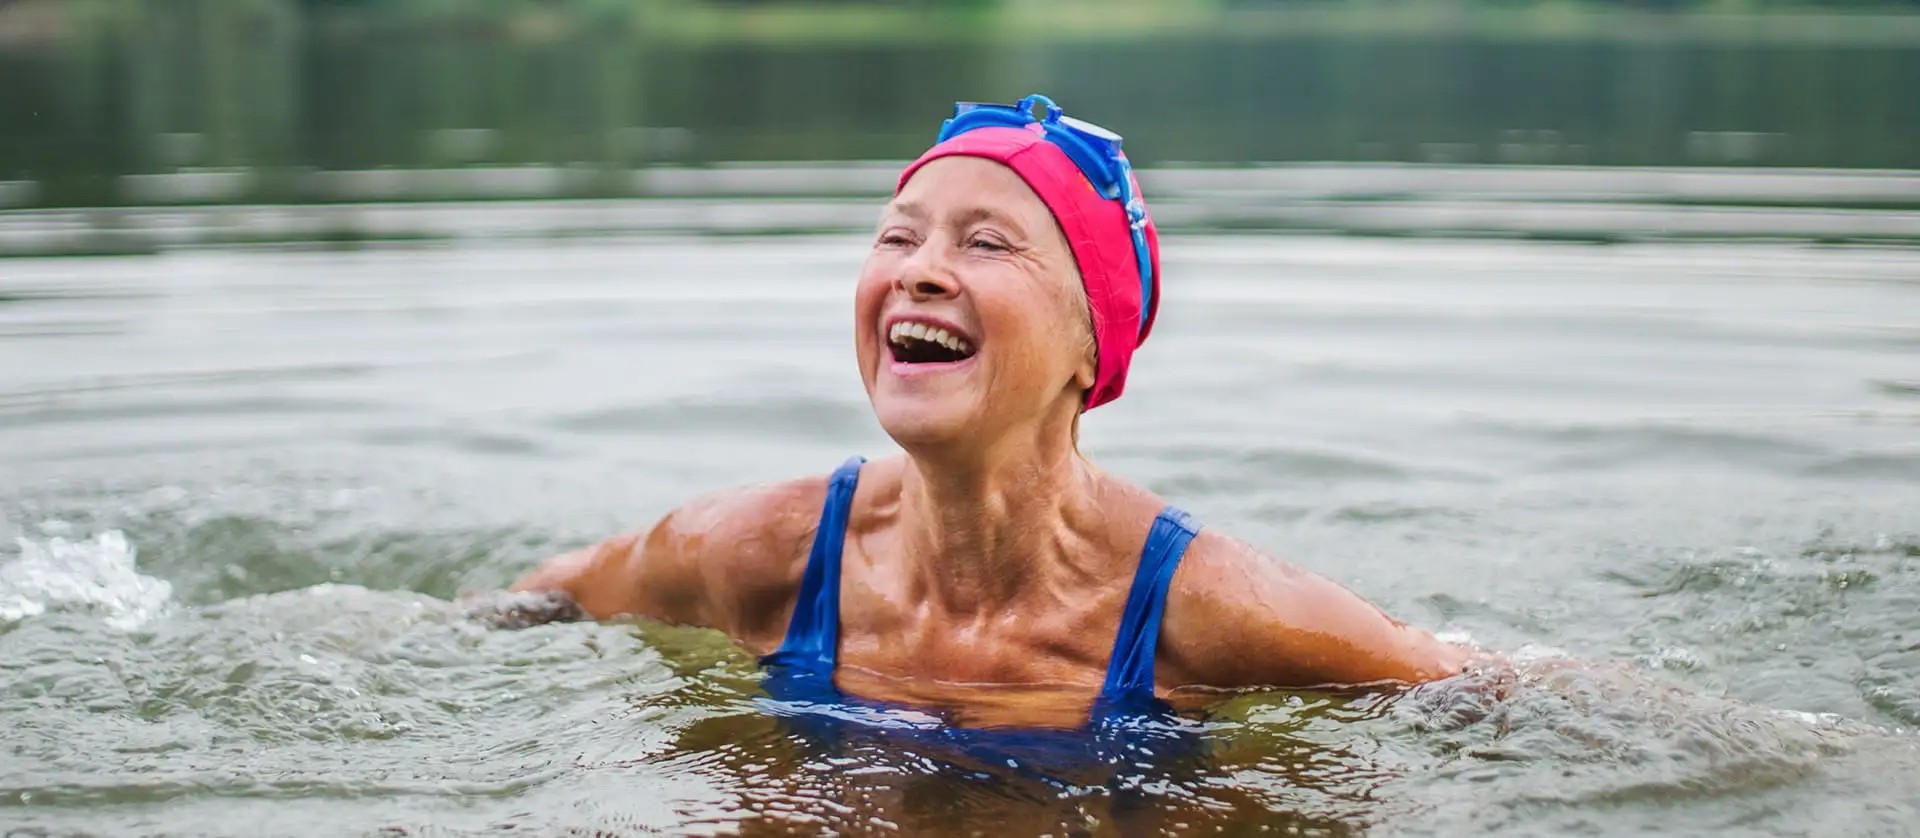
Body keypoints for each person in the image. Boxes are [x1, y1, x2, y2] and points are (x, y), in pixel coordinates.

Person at [507, 95, 1466, 728]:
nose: (919, 269)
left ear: (1096, 346)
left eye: (988, 244)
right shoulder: (758, 551)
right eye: (898, 235)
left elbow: (1493, 693)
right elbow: (541, 602)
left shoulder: (1212, 609)